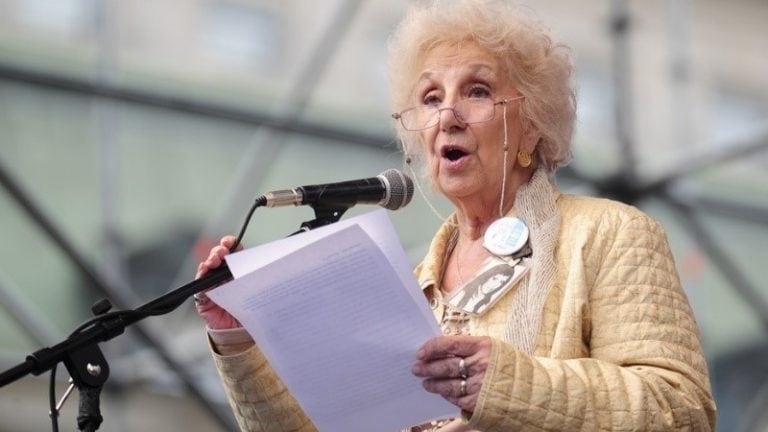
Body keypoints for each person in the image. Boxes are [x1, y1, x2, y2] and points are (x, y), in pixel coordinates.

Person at [194, 0, 717, 430]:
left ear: (533, 124)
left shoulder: (610, 233)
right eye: (429, 98)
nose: (447, 115)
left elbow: (680, 410)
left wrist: (506, 384)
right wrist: (238, 337)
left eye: (478, 91)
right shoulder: (410, 285)